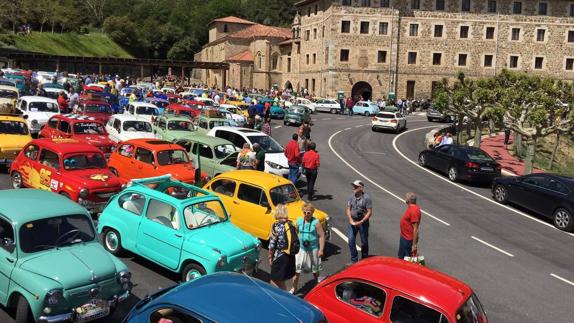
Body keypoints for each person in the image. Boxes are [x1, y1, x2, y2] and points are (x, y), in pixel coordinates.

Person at [290, 203, 325, 294]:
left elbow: (321, 236)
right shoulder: (299, 221)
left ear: (312, 213)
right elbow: (296, 232)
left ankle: (317, 286)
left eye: (308, 213)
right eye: (304, 212)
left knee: (315, 270)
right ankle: (294, 288)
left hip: (313, 249)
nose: (306, 214)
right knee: (297, 269)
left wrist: (321, 249)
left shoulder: (316, 223)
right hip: (302, 249)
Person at [268, 204, 297, 290]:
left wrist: (270, 257)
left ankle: (281, 299)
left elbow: (272, 244)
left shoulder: (276, 225)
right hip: (290, 256)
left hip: (280, 256)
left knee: (273, 281)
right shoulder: (291, 223)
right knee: (280, 280)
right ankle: (283, 297)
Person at [346, 180, 372, 264]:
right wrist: (350, 219)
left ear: (361, 188)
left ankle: (364, 259)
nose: (353, 188)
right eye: (353, 186)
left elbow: (369, 212)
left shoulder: (367, 198)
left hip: (363, 222)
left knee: (364, 242)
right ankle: (354, 259)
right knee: (350, 240)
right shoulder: (351, 196)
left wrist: (362, 221)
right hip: (353, 221)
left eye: (356, 186)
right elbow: (348, 209)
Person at [398, 192, 421, 259]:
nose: (405, 199)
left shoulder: (414, 210)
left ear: (408, 200)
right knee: (402, 257)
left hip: (408, 240)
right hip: (404, 237)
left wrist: (413, 245)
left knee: (405, 259)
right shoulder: (412, 208)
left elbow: (415, 229)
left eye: (406, 197)